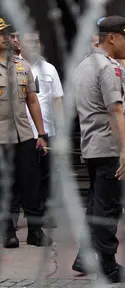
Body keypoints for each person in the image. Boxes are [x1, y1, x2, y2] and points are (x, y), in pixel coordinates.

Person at [72, 16, 125, 282]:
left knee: (96, 205)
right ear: (112, 38)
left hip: (92, 145)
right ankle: (110, 267)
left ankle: (84, 256)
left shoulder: (84, 65)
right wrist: (124, 150)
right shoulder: (109, 68)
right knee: (108, 209)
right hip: (109, 147)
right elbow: (115, 111)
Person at [0, 18, 52, 248]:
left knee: (31, 184)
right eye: (2, 34)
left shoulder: (23, 66)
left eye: (8, 34)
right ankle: (8, 231)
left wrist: (41, 133)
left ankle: (35, 231)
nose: (7, 38)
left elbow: (32, 100)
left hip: (24, 135)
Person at [21, 31, 64, 228]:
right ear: (19, 43)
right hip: (21, 132)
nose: (33, 45)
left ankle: (46, 213)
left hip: (48, 131)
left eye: (36, 41)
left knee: (47, 174)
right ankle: (17, 214)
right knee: (22, 175)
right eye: (29, 41)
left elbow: (57, 100)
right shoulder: (13, 68)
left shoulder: (49, 69)